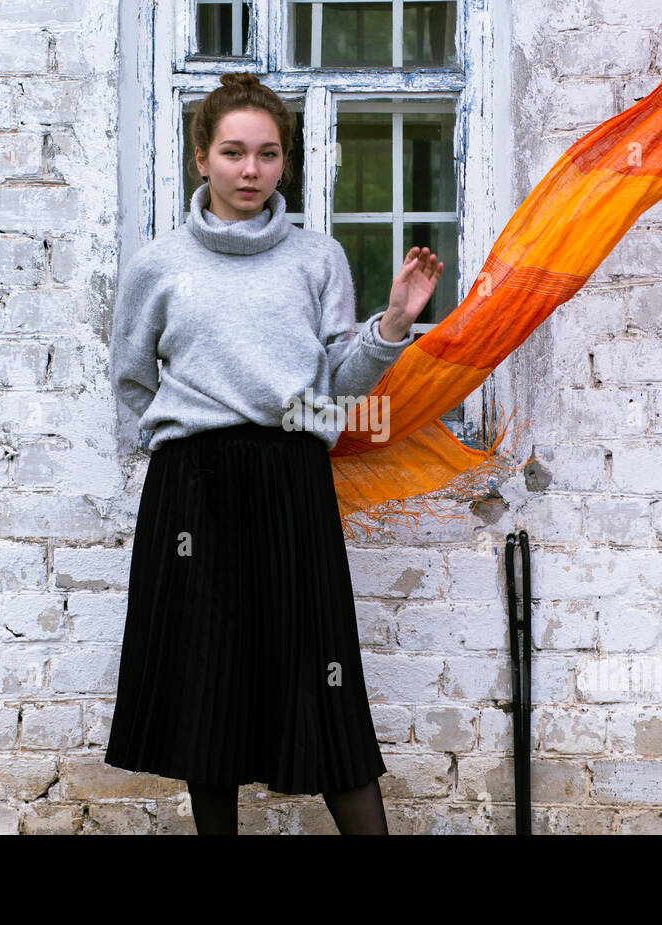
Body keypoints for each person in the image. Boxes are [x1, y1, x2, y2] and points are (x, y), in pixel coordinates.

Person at [103, 71, 445, 835]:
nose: (249, 170)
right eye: (232, 153)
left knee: (324, 690)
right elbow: (131, 382)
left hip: (292, 483)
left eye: (265, 154)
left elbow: (331, 393)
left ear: (286, 160)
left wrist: (390, 326)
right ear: (201, 158)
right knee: (207, 697)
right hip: (192, 490)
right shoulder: (157, 265)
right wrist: (191, 436)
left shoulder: (316, 259)